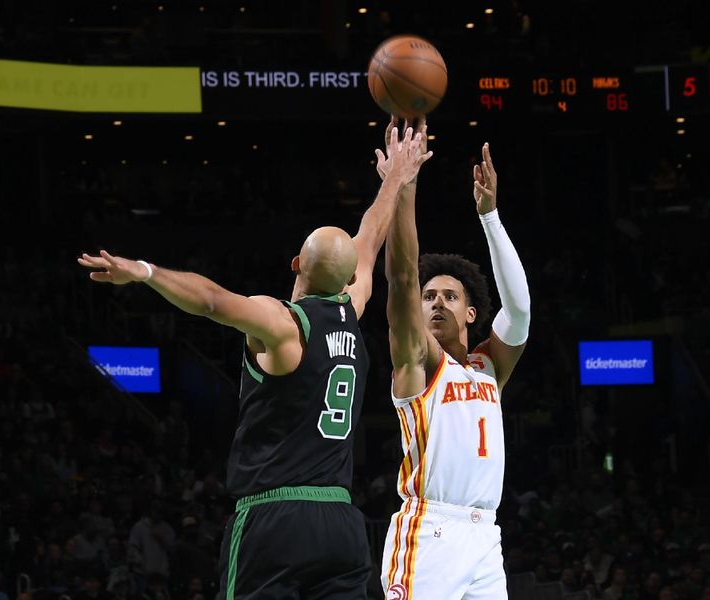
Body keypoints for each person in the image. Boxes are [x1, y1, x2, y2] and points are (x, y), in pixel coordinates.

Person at [78, 127, 431, 599]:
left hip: (274, 519)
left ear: (294, 265)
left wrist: (144, 272)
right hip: (342, 523)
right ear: (349, 278)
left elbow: (210, 301)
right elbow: (369, 237)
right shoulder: (353, 306)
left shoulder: (285, 324)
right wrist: (397, 178)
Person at [377, 118, 531, 599]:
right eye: (429, 297)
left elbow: (521, 309)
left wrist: (490, 217)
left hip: (485, 536)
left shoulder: (489, 367)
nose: (436, 302)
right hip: (430, 533)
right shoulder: (418, 362)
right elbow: (401, 278)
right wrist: (405, 187)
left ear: (470, 312)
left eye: (448, 295)